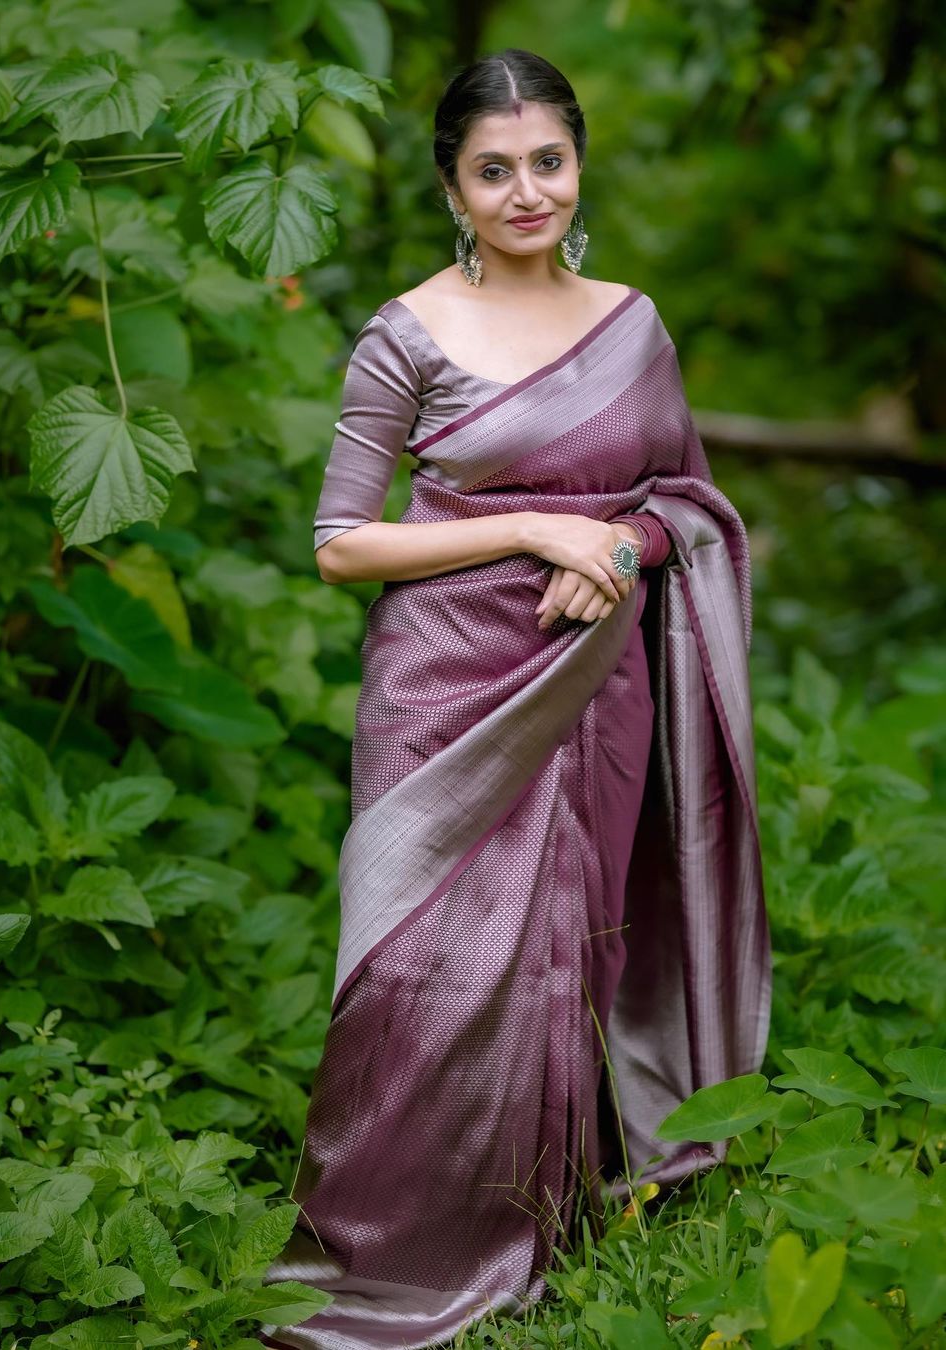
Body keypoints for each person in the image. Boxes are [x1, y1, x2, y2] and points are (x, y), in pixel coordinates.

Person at [258, 47, 770, 1350]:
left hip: (599, 676)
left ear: (578, 163)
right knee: (413, 965)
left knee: (573, 943)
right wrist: (541, 526)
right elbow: (340, 542)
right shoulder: (407, 334)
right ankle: (386, 1242)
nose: (527, 190)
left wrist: (619, 552)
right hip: (444, 683)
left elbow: (686, 506)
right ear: (453, 185)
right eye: (495, 169)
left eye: (548, 161)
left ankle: (544, 1215)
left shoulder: (633, 324)